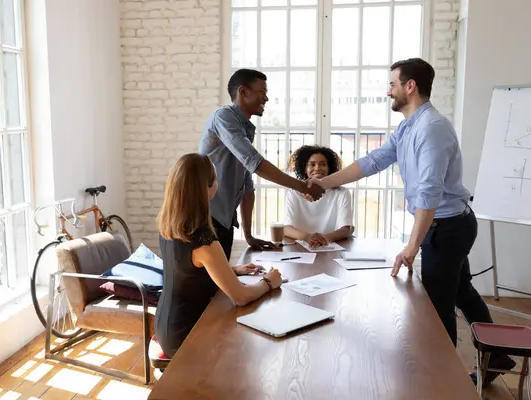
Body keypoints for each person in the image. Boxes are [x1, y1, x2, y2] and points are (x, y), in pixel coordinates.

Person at [307, 57, 515, 386]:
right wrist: (324, 183)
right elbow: (373, 160)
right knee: (461, 291)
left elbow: (428, 195)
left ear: (409, 86)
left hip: (448, 228)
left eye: (392, 84)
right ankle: (498, 356)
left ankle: (442, 381)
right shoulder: (408, 127)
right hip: (448, 223)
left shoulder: (432, 129)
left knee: (434, 308)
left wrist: (411, 247)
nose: (388, 91)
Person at [154, 153, 283, 358]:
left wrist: (232, 270)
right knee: (254, 348)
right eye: (215, 178)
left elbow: (186, 271)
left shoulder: (169, 226)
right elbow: (240, 297)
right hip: (187, 333)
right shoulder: (203, 239)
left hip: (165, 324)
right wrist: (268, 282)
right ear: (207, 187)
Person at [199, 69, 325, 260]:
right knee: (211, 285)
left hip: (223, 219)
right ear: (243, 92)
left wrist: (248, 236)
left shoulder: (245, 128)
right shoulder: (224, 117)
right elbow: (255, 162)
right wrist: (302, 186)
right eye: (262, 92)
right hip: (206, 217)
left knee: (220, 283)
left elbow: (247, 187)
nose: (266, 98)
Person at [284, 145, 354, 248]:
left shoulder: (341, 192)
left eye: (322, 164)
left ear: (329, 168)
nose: (317, 168)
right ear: (304, 169)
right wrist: (308, 237)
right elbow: (286, 228)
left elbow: (347, 229)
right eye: (312, 164)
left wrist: (325, 238)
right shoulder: (293, 193)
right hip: (300, 248)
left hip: (332, 247)